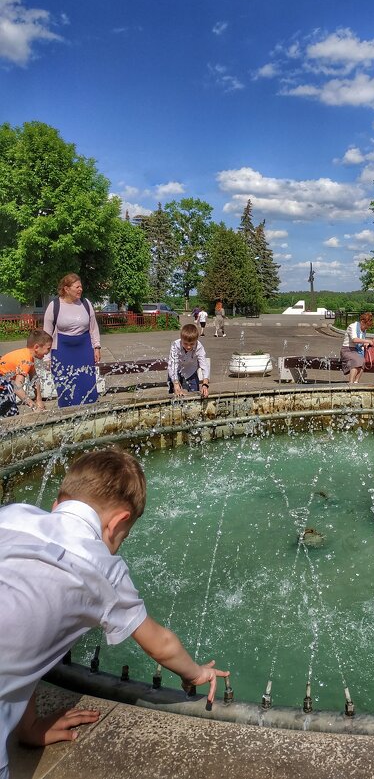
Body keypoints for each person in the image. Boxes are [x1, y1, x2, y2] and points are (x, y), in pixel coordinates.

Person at [0, 449, 229, 779]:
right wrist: (195, 674)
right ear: (118, 522)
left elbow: (30, 629)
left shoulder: (13, 515)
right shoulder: (101, 568)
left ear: (58, 503)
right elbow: (160, 644)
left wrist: (29, 728)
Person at [43, 274, 101, 407]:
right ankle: (67, 414)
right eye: (77, 287)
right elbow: (46, 334)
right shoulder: (54, 305)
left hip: (84, 347)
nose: (80, 289)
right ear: (66, 289)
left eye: (81, 286)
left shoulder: (86, 304)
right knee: (65, 384)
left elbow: (93, 327)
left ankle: (90, 411)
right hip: (62, 350)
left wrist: (97, 347)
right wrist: (47, 357)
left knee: (87, 381)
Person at [0, 330, 53, 417]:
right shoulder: (25, 360)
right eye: (48, 348)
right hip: (2, 381)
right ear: (36, 347)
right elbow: (17, 387)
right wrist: (34, 407)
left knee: (10, 410)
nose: (48, 352)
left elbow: (35, 379)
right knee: (11, 412)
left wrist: (39, 399)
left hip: (4, 382)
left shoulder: (29, 357)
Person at [167, 323, 210, 398]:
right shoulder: (175, 345)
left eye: (192, 344)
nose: (189, 346)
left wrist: (205, 384)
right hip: (176, 370)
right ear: (181, 339)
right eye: (185, 343)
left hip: (191, 371)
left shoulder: (199, 347)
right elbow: (173, 365)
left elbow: (204, 366)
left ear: (196, 340)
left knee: (195, 394)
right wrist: (176, 383)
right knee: (174, 394)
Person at [340, 312, 374, 385]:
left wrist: (366, 344)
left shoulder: (363, 330)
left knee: (363, 361)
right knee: (357, 360)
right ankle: (351, 383)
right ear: (362, 322)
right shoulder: (352, 326)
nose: (367, 328)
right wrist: (367, 341)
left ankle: (356, 382)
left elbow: (360, 342)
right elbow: (354, 339)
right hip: (347, 350)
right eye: (367, 326)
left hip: (356, 350)